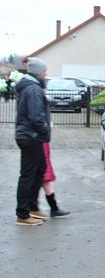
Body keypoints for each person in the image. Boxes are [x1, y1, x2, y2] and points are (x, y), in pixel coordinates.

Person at [15, 57, 51, 226]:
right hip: (31, 137)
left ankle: (31, 206)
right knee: (28, 175)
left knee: (40, 170)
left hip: (31, 136)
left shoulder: (31, 87)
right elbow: (36, 116)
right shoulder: (34, 89)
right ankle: (22, 214)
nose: (46, 74)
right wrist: (45, 130)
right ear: (38, 72)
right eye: (44, 71)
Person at [41, 141, 70, 218]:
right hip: (41, 158)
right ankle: (53, 209)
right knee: (45, 182)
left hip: (43, 159)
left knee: (47, 183)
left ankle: (54, 208)